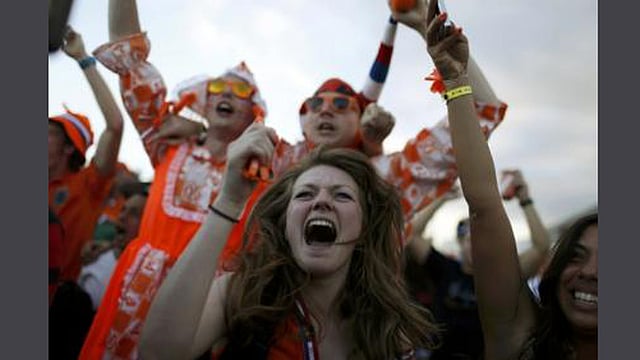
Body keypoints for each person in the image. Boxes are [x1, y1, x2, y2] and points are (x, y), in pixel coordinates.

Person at [79, 1, 396, 358]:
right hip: (133, 294)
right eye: (218, 87)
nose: (228, 93)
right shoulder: (166, 140)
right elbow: (130, 59)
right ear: (204, 101)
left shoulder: (272, 162)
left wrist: (371, 141)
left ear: (253, 113)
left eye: (241, 91)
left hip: (211, 307)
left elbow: (333, 147)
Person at [407, 1, 598, 359]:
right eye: (577, 255)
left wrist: (527, 201)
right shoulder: (521, 336)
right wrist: (455, 81)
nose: (590, 273)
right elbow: (484, 206)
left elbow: (540, 247)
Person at [140, 146, 439, 359]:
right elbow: (157, 353)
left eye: (342, 195)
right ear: (284, 224)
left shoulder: (387, 330)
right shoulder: (240, 294)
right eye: (305, 194)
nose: (321, 202)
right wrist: (230, 200)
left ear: (363, 228)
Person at [49, 26, 124, 282]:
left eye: (49, 133)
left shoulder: (88, 185)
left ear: (69, 147)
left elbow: (115, 125)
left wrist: (83, 57)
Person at [78, 182, 149, 310]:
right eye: (123, 209)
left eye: (134, 214)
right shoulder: (96, 255)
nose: (121, 217)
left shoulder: (146, 280)